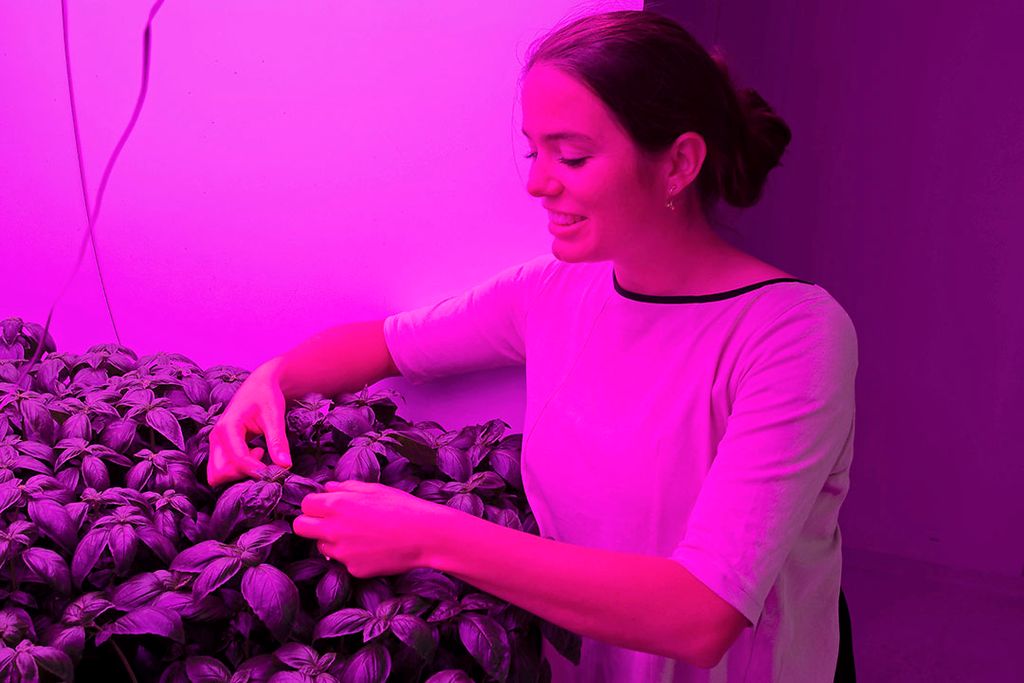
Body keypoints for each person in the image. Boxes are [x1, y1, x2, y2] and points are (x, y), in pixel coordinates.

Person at [207, 9, 858, 682]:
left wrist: (430, 534)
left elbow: (700, 613)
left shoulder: (792, 335)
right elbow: (383, 343)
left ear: (679, 164)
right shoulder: (552, 292)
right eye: (534, 150)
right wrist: (270, 382)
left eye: (571, 155)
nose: (538, 183)